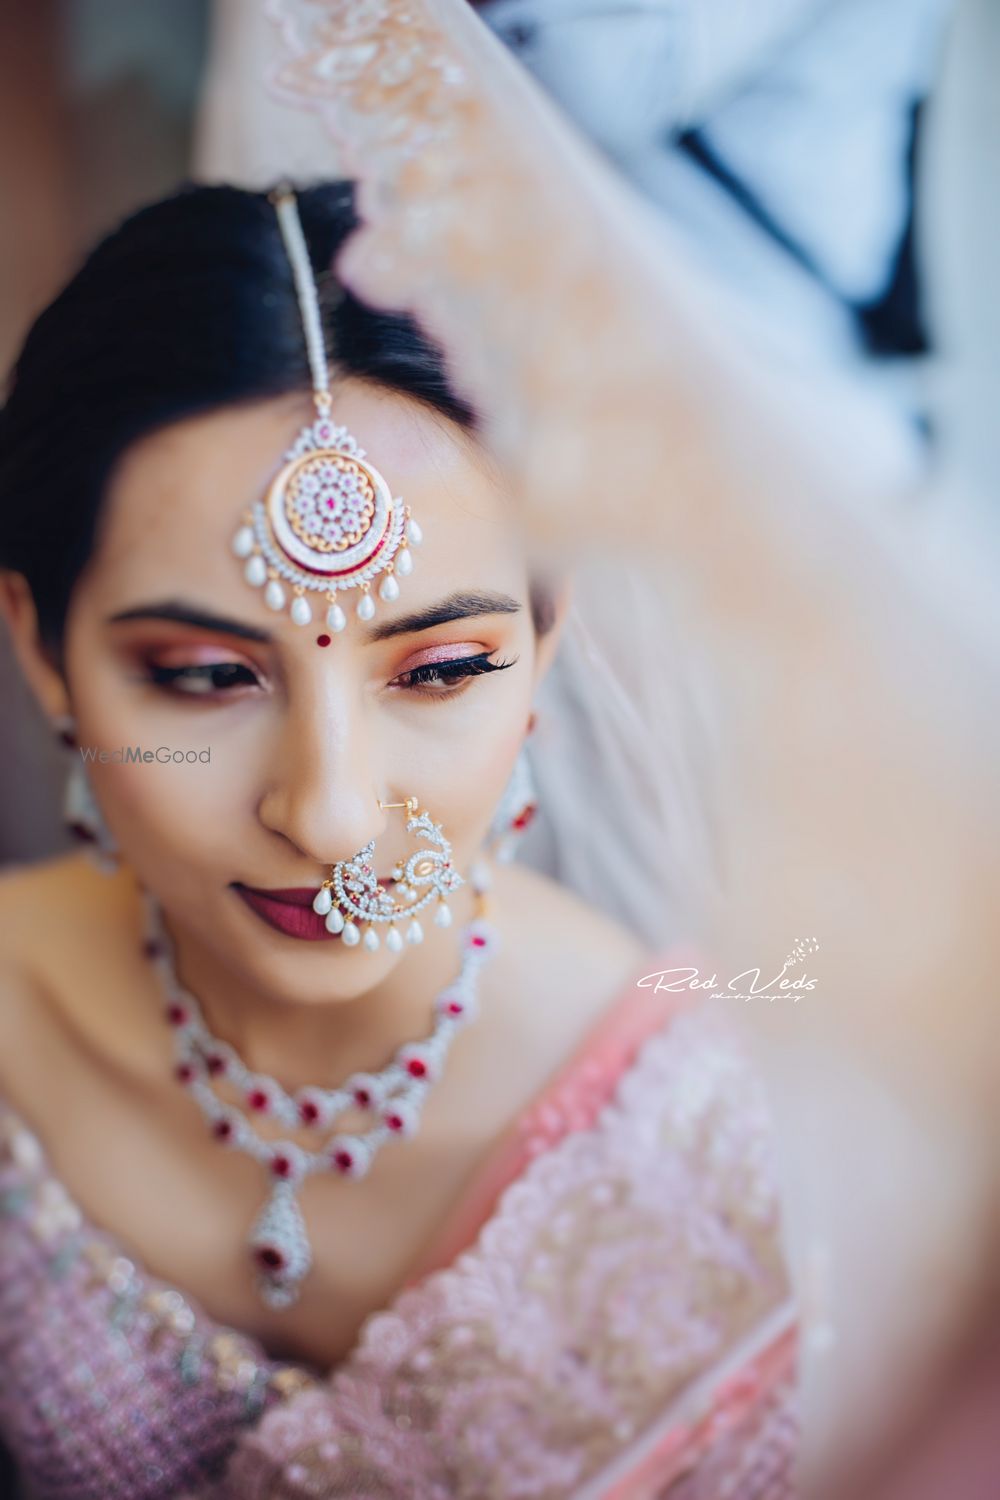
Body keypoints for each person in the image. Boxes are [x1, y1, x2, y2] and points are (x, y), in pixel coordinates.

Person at [0, 180, 798, 1498]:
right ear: (42, 651)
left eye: (436, 673)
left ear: (545, 645)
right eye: (204, 676)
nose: (329, 814)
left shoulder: (703, 1145)